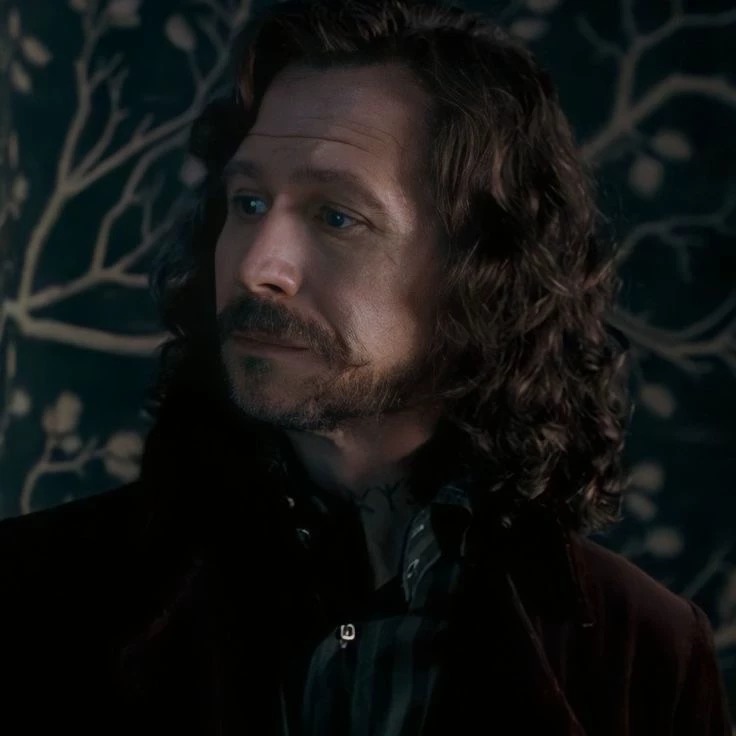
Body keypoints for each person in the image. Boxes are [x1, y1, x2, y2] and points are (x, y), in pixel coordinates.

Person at [0, 0, 731, 733]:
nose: (258, 266)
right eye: (248, 203)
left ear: (480, 269)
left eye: (336, 217)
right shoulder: (35, 591)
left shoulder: (648, 654)